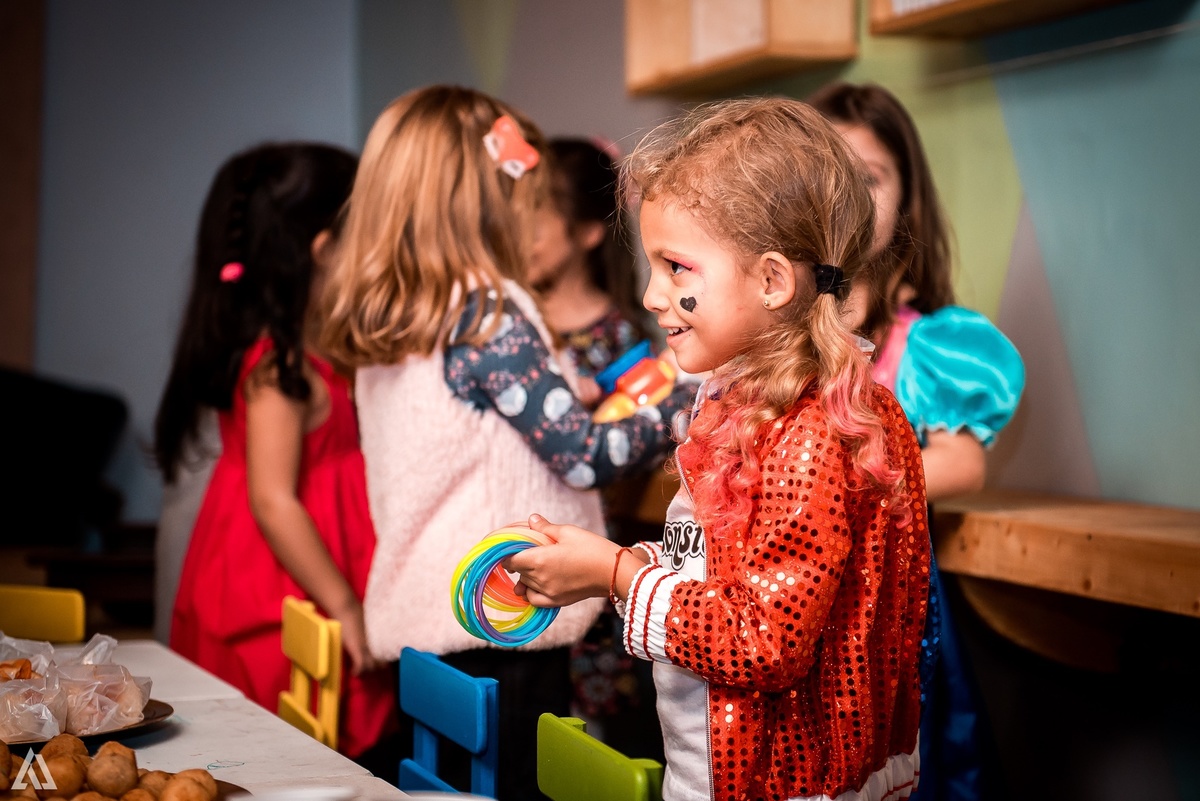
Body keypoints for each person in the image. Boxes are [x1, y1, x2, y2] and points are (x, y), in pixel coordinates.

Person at [506, 97, 931, 801]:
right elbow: (733, 570)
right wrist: (618, 566)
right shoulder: (752, 406)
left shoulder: (813, 430)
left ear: (771, 280)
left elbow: (765, 637)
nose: (650, 293)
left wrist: (615, 572)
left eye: (677, 268)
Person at [319, 85, 696, 800]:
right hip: (507, 622)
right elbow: (584, 455)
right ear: (486, 198)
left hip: (430, 622)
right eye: (520, 189)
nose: (528, 210)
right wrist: (681, 401)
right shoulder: (489, 311)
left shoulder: (399, 318)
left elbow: (467, 426)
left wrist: (568, 391)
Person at [809, 81, 1026, 801]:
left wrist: (836, 486)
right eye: (825, 176)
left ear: (907, 198)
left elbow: (962, 462)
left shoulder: (928, 342)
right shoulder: (776, 336)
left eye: (867, 178)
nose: (845, 197)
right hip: (783, 604)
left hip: (885, 619)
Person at [157, 142, 397, 761]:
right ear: (324, 249)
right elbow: (272, 499)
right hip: (284, 581)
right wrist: (343, 604)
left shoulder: (309, 353)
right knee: (279, 742)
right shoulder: (277, 370)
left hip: (312, 564)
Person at [529, 137, 648, 382]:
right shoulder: (507, 318)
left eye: (533, 231)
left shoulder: (621, 337)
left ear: (588, 233)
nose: (516, 243)